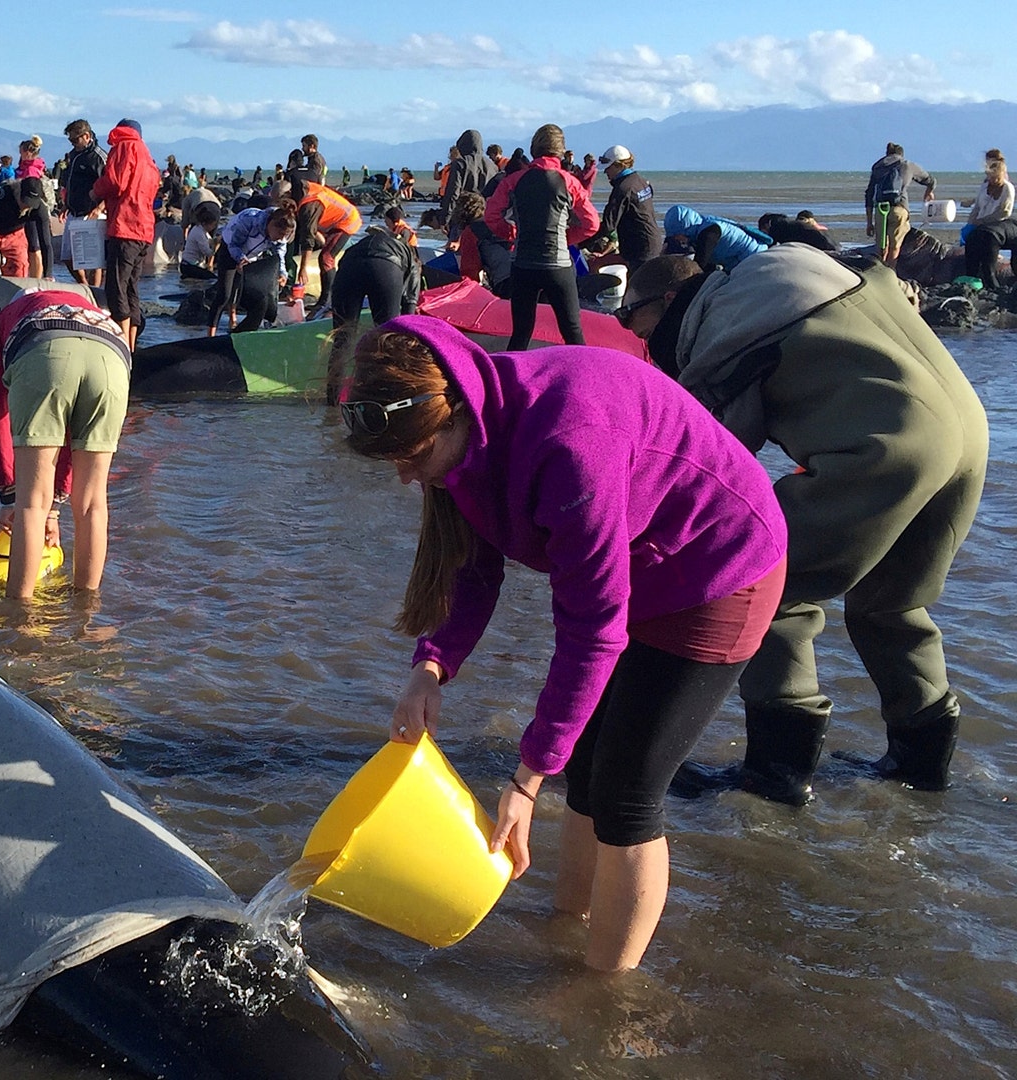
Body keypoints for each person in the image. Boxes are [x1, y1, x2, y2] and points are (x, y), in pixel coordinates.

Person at [345, 318, 786, 971]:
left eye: (415, 459)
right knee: (590, 766)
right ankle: (566, 926)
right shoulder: (467, 441)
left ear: (454, 414)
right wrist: (431, 667)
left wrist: (527, 778)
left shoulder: (568, 446)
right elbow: (472, 567)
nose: (408, 478)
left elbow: (592, 630)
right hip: (638, 563)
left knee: (628, 793)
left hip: (718, 567)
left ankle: (606, 994)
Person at [619, 249, 987, 805]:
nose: (633, 332)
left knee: (764, 589)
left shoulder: (723, 330)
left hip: (886, 448)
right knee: (893, 604)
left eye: (631, 316)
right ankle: (921, 773)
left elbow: (713, 464)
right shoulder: (783, 265)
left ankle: (775, 780)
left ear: (669, 302)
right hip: (969, 433)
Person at [0, 289, 130, 601]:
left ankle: (20, 619)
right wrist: (56, 508)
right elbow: (70, 438)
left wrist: (8, 496)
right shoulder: (85, 306)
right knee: (93, 503)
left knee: (31, 503)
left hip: (45, 349)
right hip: (113, 353)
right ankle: (87, 612)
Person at [483, 124, 599, 350]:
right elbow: (592, 224)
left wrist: (512, 234)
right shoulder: (569, 181)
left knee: (521, 333)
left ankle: (510, 381)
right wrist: (566, 238)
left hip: (524, 264)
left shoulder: (513, 181)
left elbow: (492, 216)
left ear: (533, 148)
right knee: (573, 332)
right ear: (560, 151)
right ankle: (586, 378)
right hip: (558, 265)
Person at [91, 118, 158, 349]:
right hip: (144, 229)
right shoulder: (148, 157)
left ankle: (119, 346)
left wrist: (95, 191)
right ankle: (131, 347)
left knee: (116, 286)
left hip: (125, 225)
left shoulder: (123, 147)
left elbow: (116, 182)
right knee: (131, 287)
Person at [205, 199, 295, 336]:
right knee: (224, 295)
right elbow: (234, 245)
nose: (279, 239)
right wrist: (241, 259)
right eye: (280, 235)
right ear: (272, 225)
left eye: (284, 236)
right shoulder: (250, 220)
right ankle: (210, 334)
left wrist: (283, 273)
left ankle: (233, 323)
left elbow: (280, 255)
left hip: (251, 257)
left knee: (244, 291)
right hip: (230, 250)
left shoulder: (281, 237)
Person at [331, 214, 420, 327]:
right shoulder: (412, 258)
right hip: (385, 266)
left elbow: (341, 264)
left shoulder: (360, 244)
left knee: (343, 332)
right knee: (386, 332)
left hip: (350, 264)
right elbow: (410, 300)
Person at [291, 177, 364, 311]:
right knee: (325, 252)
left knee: (326, 258)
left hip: (346, 221)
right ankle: (330, 297)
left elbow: (308, 238)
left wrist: (303, 268)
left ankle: (327, 301)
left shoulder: (309, 204)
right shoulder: (305, 189)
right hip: (331, 222)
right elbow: (311, 230)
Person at [864, 141, 935, 268]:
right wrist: (929, 192)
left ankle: (879, 273)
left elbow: (869, 194)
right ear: (901, 154)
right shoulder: (907, 165)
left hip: (881, 209)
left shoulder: (878, 166)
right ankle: (891, 274)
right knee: (895, 247)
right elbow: (930, 180)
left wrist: (869, 222)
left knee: (881, 247)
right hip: (899, 208)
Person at [595, 146, 662, 270]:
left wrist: (581, 242)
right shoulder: (641, 181)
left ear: (618, 165)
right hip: (653, 241)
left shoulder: (622, 189)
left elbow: (609, 225)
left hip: (640, 250)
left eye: (608, 168)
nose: (605, 172)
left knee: (637, 287)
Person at [58, 119, 108, 287]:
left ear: (86, 136)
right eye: (70, 140)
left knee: (92, 259)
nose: (73, 144)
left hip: (92, 212)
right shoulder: (73, 154)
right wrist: (66, 203)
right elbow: (73, 183)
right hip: (73, 210)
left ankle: (95, 292)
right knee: (67, 256)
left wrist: (100, 207)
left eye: (75, 140)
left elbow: (111, 184)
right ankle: (84, 285)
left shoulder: (99, 157)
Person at [661, 205, 770, 271]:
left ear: (684, 228)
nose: (677, 240)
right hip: (739, 262)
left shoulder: (709, 233)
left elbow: (699, 266)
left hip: (754, 259)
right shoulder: (701, 228)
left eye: (676, 235)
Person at [963, 150, 1015, 286]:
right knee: (970, 250)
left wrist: (984, 221)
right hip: (979, 226)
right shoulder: (985, 186)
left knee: (988, 266)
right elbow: (978, 207)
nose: (992, 180)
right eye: (990, 177)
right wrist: (971, 223)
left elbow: (1004, 212)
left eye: (995, 177)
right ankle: (971, 281)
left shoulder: (1007, 188)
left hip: (996, 228)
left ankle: (994, 287)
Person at [446, 191, 513, 296]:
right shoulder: (501, 222)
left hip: (506, 281)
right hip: (532, 271)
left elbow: (470, 273)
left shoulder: (472, 231)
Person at [440, 130, 498, 219]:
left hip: (464, 213)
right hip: (486, 213)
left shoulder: (460, 163)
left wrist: (445, 217)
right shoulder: (492, 166)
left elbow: (453, 191)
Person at [180, 200, 219, 280]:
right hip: (189, 266)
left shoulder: (199, 229)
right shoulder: (199, 233)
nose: (214, 228)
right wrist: (216, 245)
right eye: (213, 225)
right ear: (205, 223)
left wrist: (214, 241)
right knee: (213, 279)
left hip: (188, 264)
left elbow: (209, 241)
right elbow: (208, 253)